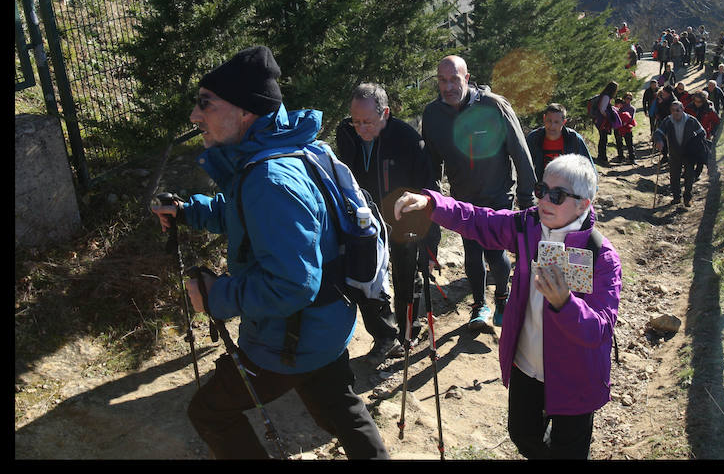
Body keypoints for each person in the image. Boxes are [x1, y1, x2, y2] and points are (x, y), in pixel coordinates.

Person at [150, 46, 389, 459]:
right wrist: (191, 211)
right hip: (326, 323)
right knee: (340, 411)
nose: (195, 115)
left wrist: (216, 295)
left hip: (289, 337)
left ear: (245, 112)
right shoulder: (291, 150)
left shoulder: (269, 178)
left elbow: (291, 285)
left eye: (205, 104)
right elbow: (248, 217)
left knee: (210, 412)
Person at [392, 154, 621, 460]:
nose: (544, 200)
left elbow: (601, 330)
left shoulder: (600, 255)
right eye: (542, 190)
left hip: (576, 376)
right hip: (526, 364)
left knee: (570, 451)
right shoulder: (527, 226)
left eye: (558, 195)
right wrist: (432, 204)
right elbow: (479, 220)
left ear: (584, 204)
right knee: (522, 434)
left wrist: (564, 304)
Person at [421, 55, 537, 330]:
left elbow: (520, 153)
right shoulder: (433, 114)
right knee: (471, 254)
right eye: (442, 80)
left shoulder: (493, 105)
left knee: (496, 254)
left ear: (467, 78)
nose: (448, 86)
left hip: (498, 194)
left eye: (454, 79)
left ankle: (502, 297)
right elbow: (431, 164)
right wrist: (434, 202)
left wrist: (527, 199)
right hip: (463, 198)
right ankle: (478, 304)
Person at [335, 83, 441, 362]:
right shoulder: (347, 133)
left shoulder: (407, 138)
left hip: (405, 220)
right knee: (366, 277)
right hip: (365, 221)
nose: (360, 128)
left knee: (406, 277)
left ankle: (409, 330)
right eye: (356, 121)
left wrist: (431, 244)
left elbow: (430, 189)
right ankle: (385, 335)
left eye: (367, 122)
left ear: (385, 113)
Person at [652, 100, 708, 208]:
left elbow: (702, 133)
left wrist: (695, 144)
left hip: (689, 153)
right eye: (673, 110)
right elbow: (658, 132)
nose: (675, 112)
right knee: (674, 176)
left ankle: (687, 198)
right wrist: (659, 140)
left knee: (689, 176)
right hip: (674, 153)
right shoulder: (668, 121)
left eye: (678, 110)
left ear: (682, 109)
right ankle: (676, 197)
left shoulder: (691, 121)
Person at [525, 103, 593, 182]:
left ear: (564, 122)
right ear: (544, 118)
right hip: (540, 187)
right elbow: (524, 167)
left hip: (568, 187)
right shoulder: (534, 138)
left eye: (556, 122)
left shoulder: (574, 139)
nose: (552, 126)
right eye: (549, 121)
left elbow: (589, 169)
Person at [685, 90, 720, 179]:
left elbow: (716, 121)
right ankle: (688, 172)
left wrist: (712, 132)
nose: (697, 103)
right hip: (690, 135)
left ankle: (697, 174)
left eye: (699, 102)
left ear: (703, 101)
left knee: (701, 156)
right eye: (695, 101)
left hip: (704, 136)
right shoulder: (689, 108)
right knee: (689, 155)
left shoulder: (709, 110)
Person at [589, 81, 620, 167]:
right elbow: (602, 109)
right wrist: (608, 117)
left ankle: (602, 157)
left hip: (599, 120)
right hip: (602, 121)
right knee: (603, 139)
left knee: (603, 138)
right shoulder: (606, 97)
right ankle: (602, 158)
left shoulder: (604, 95)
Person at [612, 97, 636, 164]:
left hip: (625, 128)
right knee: (620, 144)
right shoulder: (614, 110)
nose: (617, 105)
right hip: (620, 128)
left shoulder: (630, 109)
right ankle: (621, 157)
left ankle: (631, 158)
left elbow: (631, 119)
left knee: (629, 144)